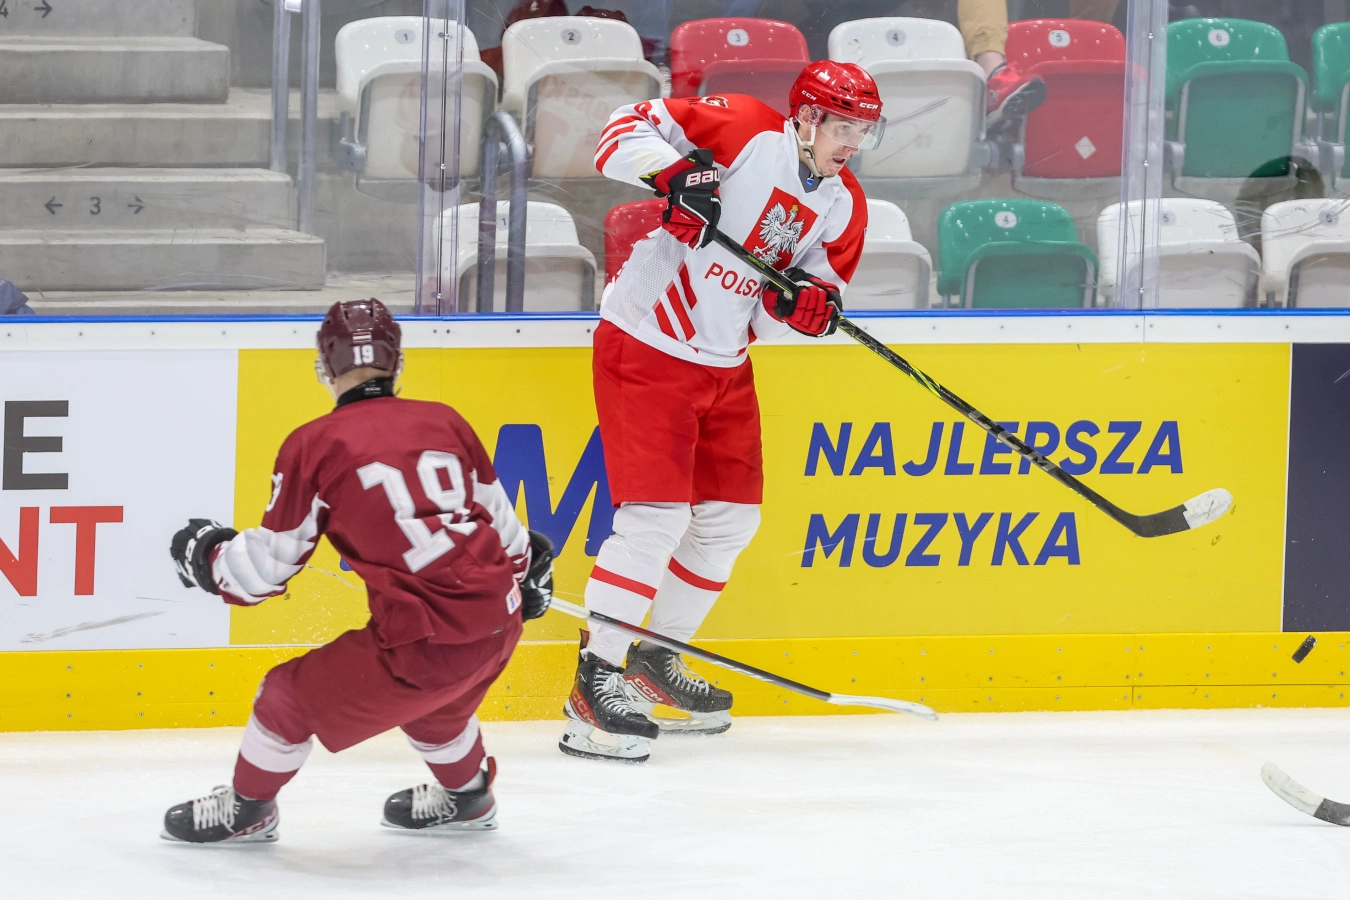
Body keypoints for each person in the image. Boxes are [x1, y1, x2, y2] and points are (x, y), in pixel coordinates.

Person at [564, 61, 873, 763]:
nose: (853, 143)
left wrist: (799, 310)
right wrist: (673, 173)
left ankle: (654, 662)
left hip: (725, 362)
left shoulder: (845, 204)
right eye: (842, 126)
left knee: (731, 520)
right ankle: (594, 679)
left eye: (864, 130)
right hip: (648, 339)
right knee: (655, 518)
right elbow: (619, 130)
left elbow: (810, 296)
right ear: (807, 118)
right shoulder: (743, 128)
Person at [161, 298, 555, 843]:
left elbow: (264, 573)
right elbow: (505, 530)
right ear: (398, 362)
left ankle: (248, 812)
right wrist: (527, 575)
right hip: (499, 622)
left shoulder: (315, 444)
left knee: (283, 699)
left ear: (324, 367)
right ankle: (468, 800)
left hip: (427, 642)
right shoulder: (445, 420)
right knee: (437, 713)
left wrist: (206, 555)